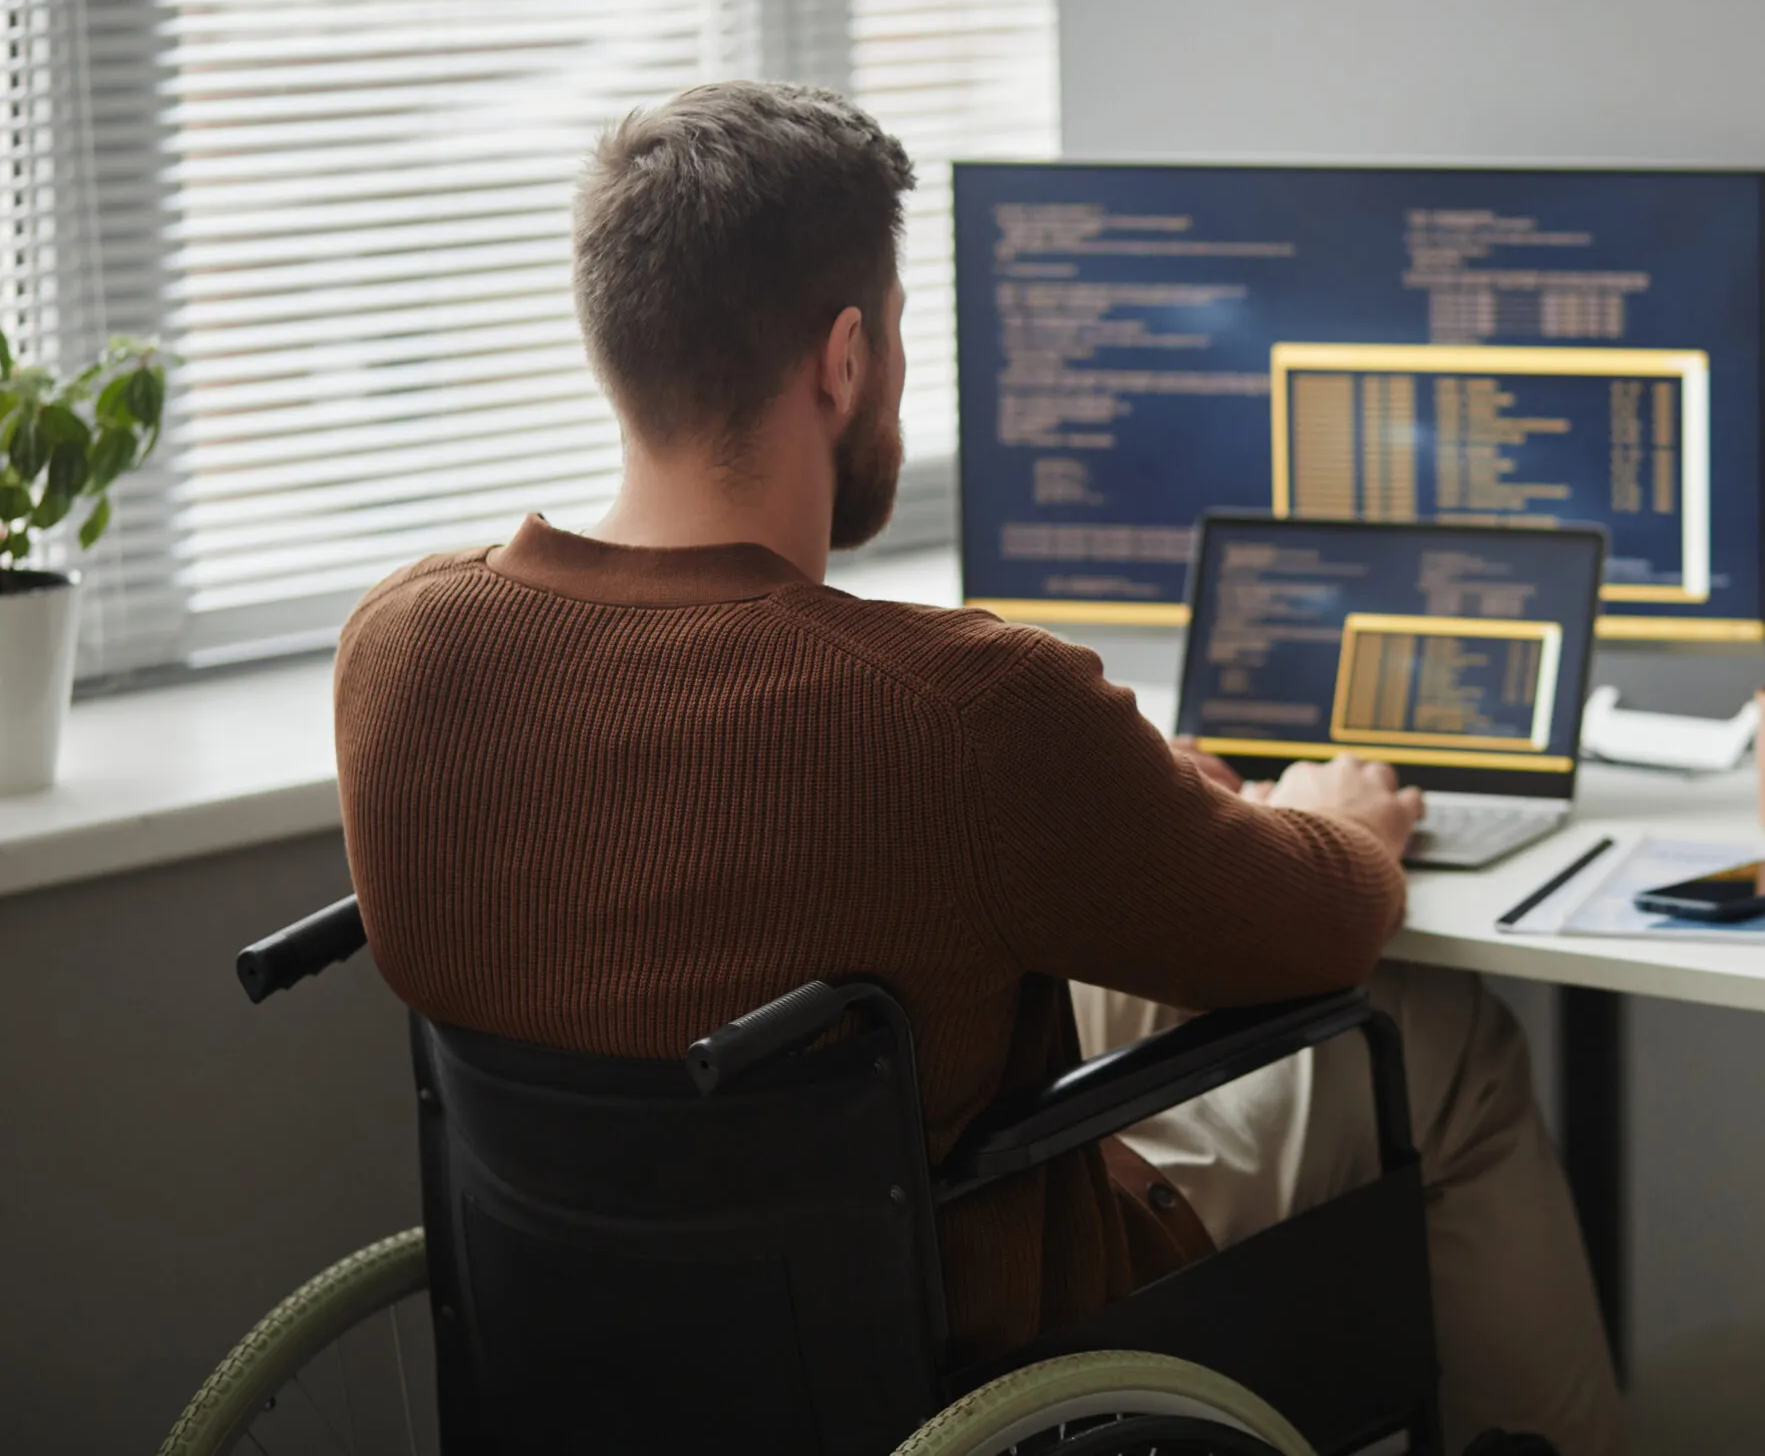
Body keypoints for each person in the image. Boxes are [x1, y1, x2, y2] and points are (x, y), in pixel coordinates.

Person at [334, 80, 1619, 1454]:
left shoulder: (402, 653)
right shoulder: (963, 707)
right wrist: (1336, 821)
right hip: (987, 1350)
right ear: (843, 359)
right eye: (893, 334)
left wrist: (1131, 796)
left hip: (607, 1351)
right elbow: (1319, 922)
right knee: (1443, 1035)